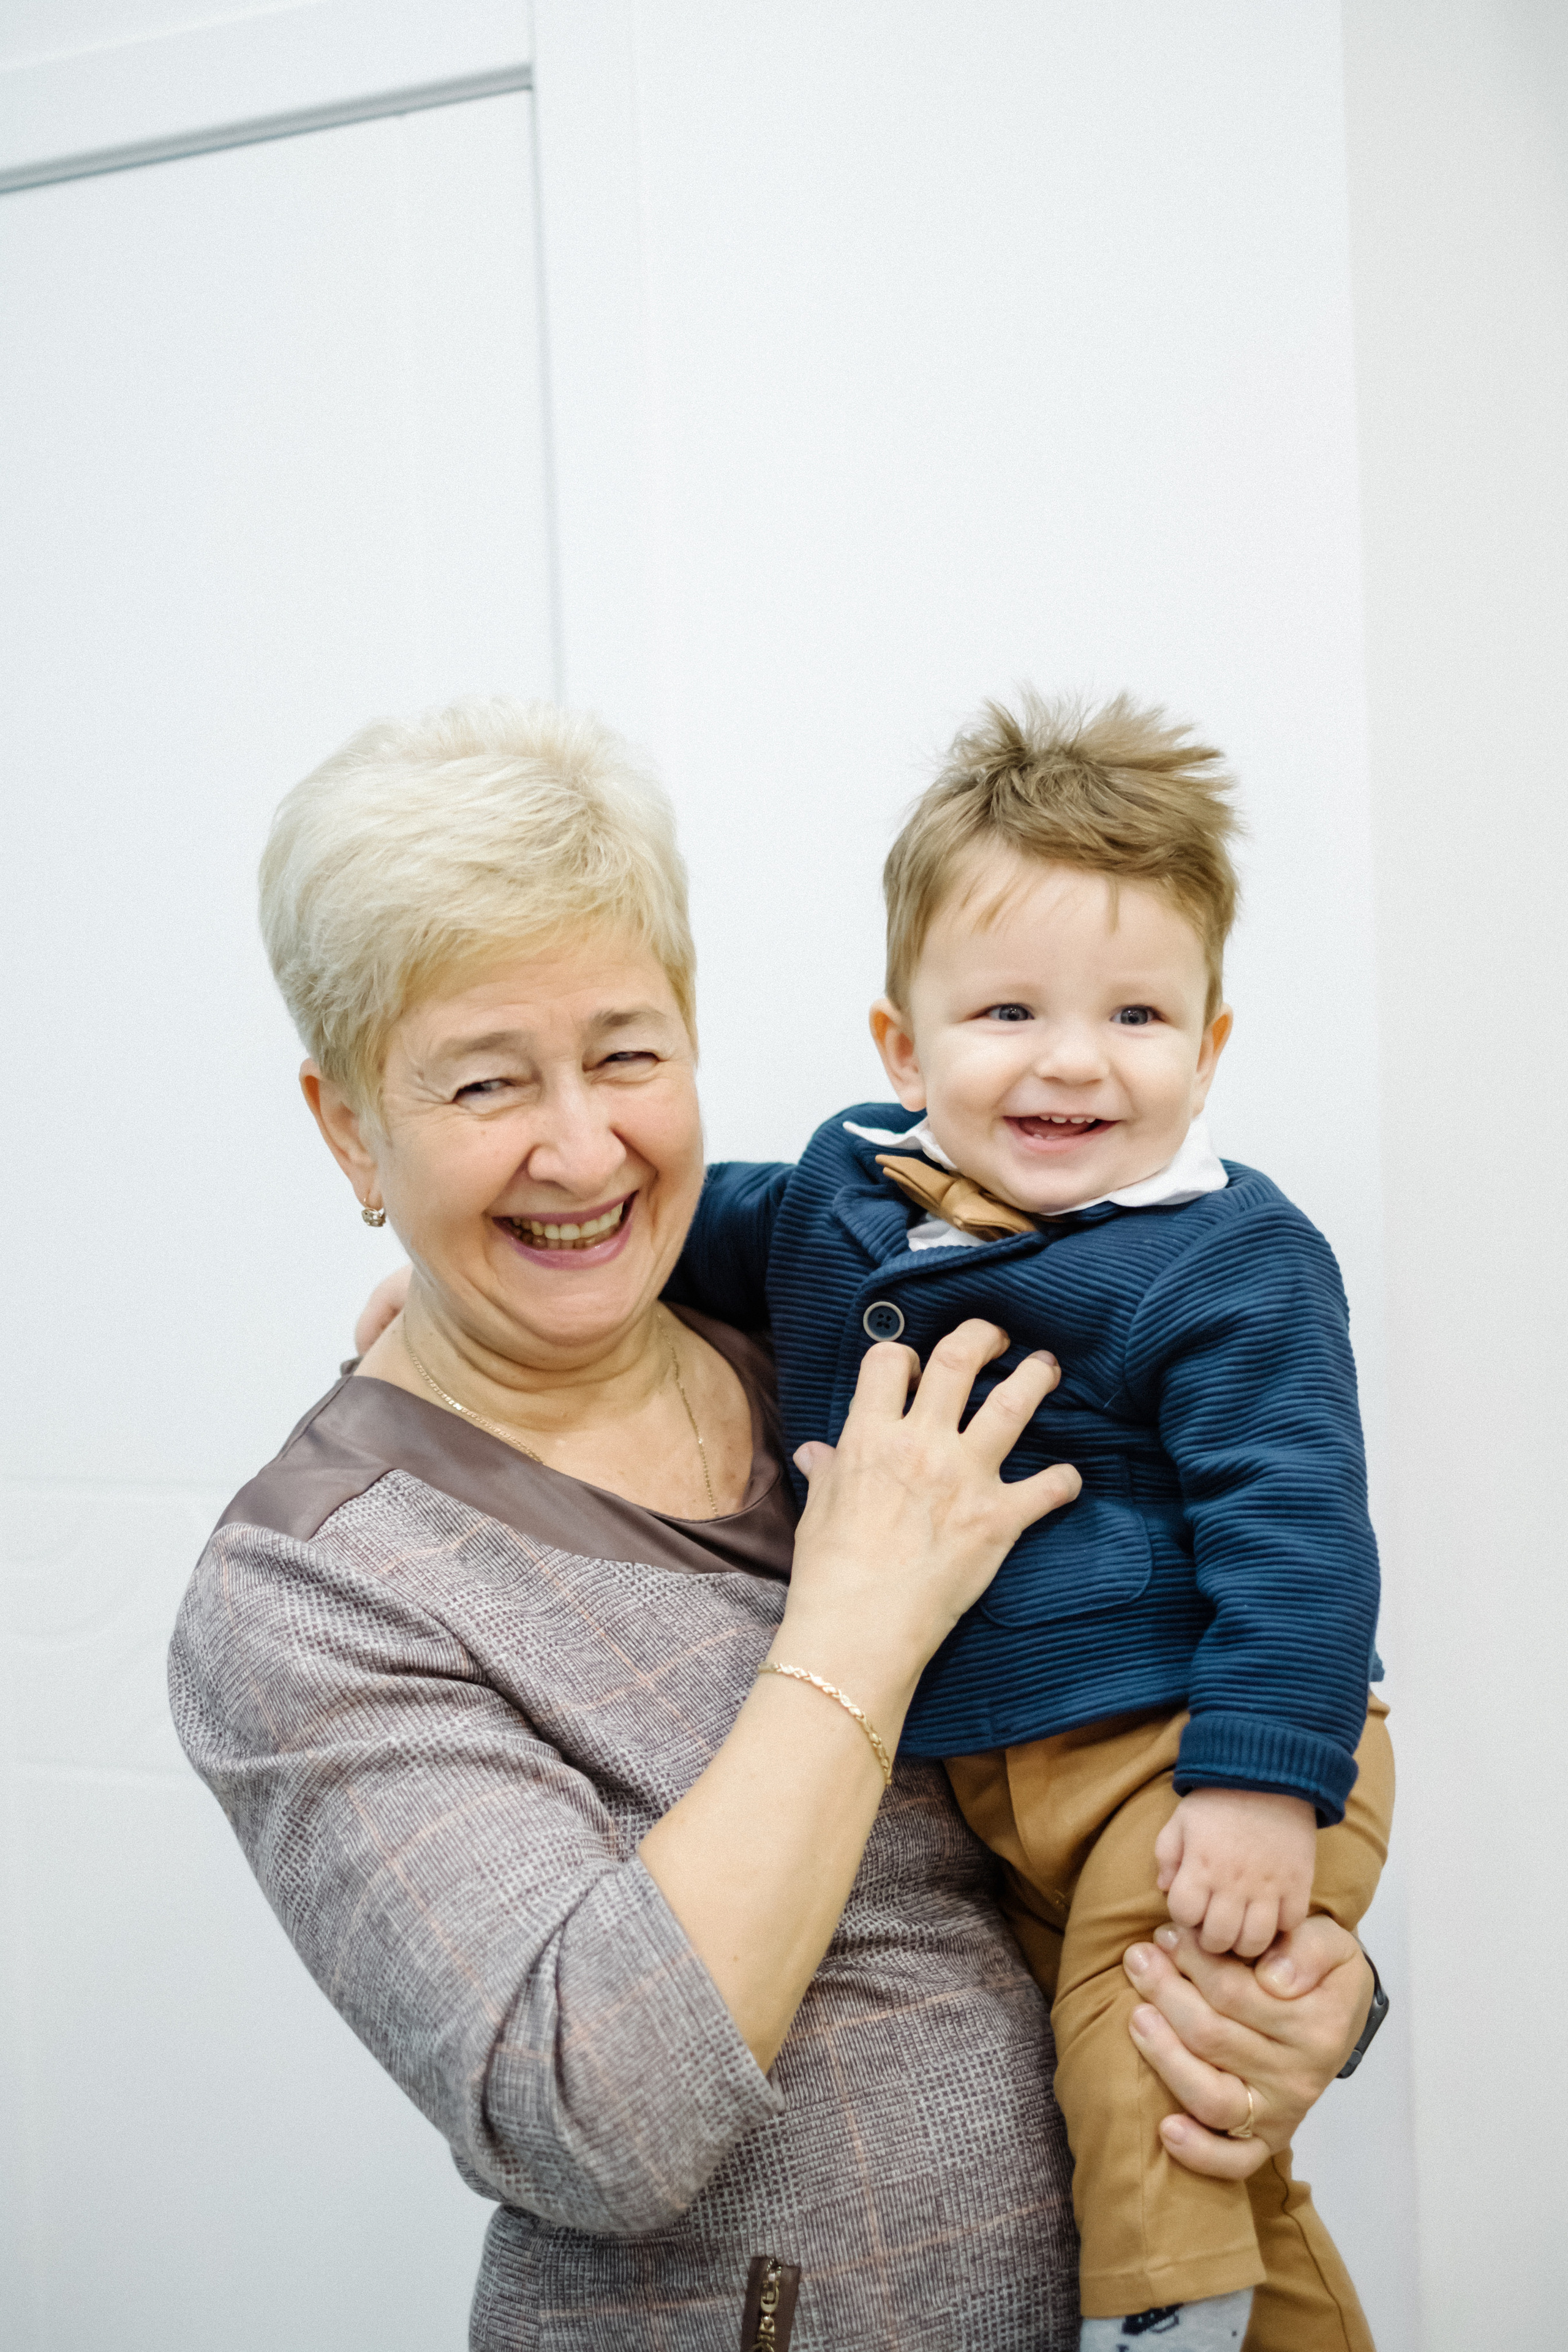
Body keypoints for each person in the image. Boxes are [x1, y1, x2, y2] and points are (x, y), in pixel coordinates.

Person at [172, 696, 1386, 2352]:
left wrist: (1304, 1996)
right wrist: (858, 1617)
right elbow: (594, 2117)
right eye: (482, 1082)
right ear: (346, 1125)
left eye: (625, 1053)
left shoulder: (841, 1328)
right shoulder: (315, 1590)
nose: (582, 1146)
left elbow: (1148, 1718)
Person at [658, 692, 1393, 2351]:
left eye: (1138, 1014)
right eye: (1008, 1010)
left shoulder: (1226, 1261)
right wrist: (434, 1284)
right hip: (1008, 1783)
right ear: (901, 1044)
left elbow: (1300, 1533)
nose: (1074, 1059)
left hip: (1185, 1746)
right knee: (1220, 2155)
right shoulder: (839, 1193)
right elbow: (678, 1236)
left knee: (1147, 2062)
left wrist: (1263, 1785)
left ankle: (1166, 2331)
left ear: (1208, 1049)